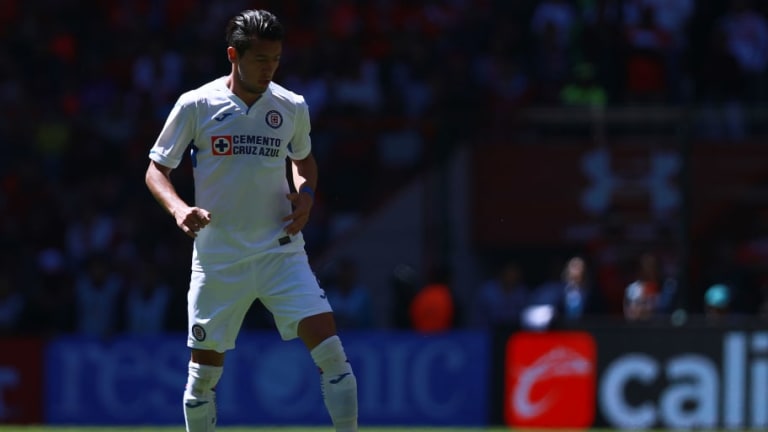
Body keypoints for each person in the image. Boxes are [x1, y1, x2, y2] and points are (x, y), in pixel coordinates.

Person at [144, 9, 357, 432]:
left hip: (280, 252)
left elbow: (304, 161)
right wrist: (179, 209)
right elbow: (156, 170)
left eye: (275, 59)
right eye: (260, 60)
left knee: (333, 355)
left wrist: (306, 196)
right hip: (218, 258)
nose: (269, 69)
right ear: (233, 55)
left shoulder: (291, 105)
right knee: (202, 380)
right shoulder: (196, 104)